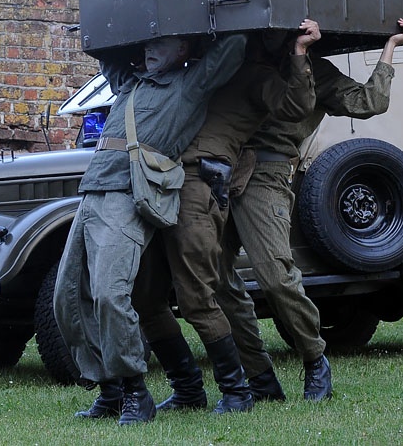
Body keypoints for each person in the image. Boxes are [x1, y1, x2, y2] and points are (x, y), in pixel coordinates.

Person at [215, 18, 403, 402]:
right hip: (223, 169)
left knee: (275, 277)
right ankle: (259, 378)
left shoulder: (313, 69)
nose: (270, 36)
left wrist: (391, 46)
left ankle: (314, 358)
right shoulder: (241, 61)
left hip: (267, 173)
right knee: (215, 279)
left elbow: (370, 101)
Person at [53, 32, 246, 425]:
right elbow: (104, 51)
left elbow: (235, 47)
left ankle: (135, 392)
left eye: (162, 43)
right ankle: (109, 390)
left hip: (129, 196)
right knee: (69, 298)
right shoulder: (129, 80)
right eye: (146, 43)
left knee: (110, 294)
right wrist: (105, 24)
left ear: (184, 49)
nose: (149, 49)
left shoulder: (190, 84)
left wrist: (203, 24)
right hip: (91, 192)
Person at [132, 21, 319, 414]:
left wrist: (301, 54)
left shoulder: (255, 76)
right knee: (147, 297)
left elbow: (295, 107)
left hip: (201, 183)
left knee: (202, 293)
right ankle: (197, 390)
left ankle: (246, 389)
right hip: (158, 182)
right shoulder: (188, 73)